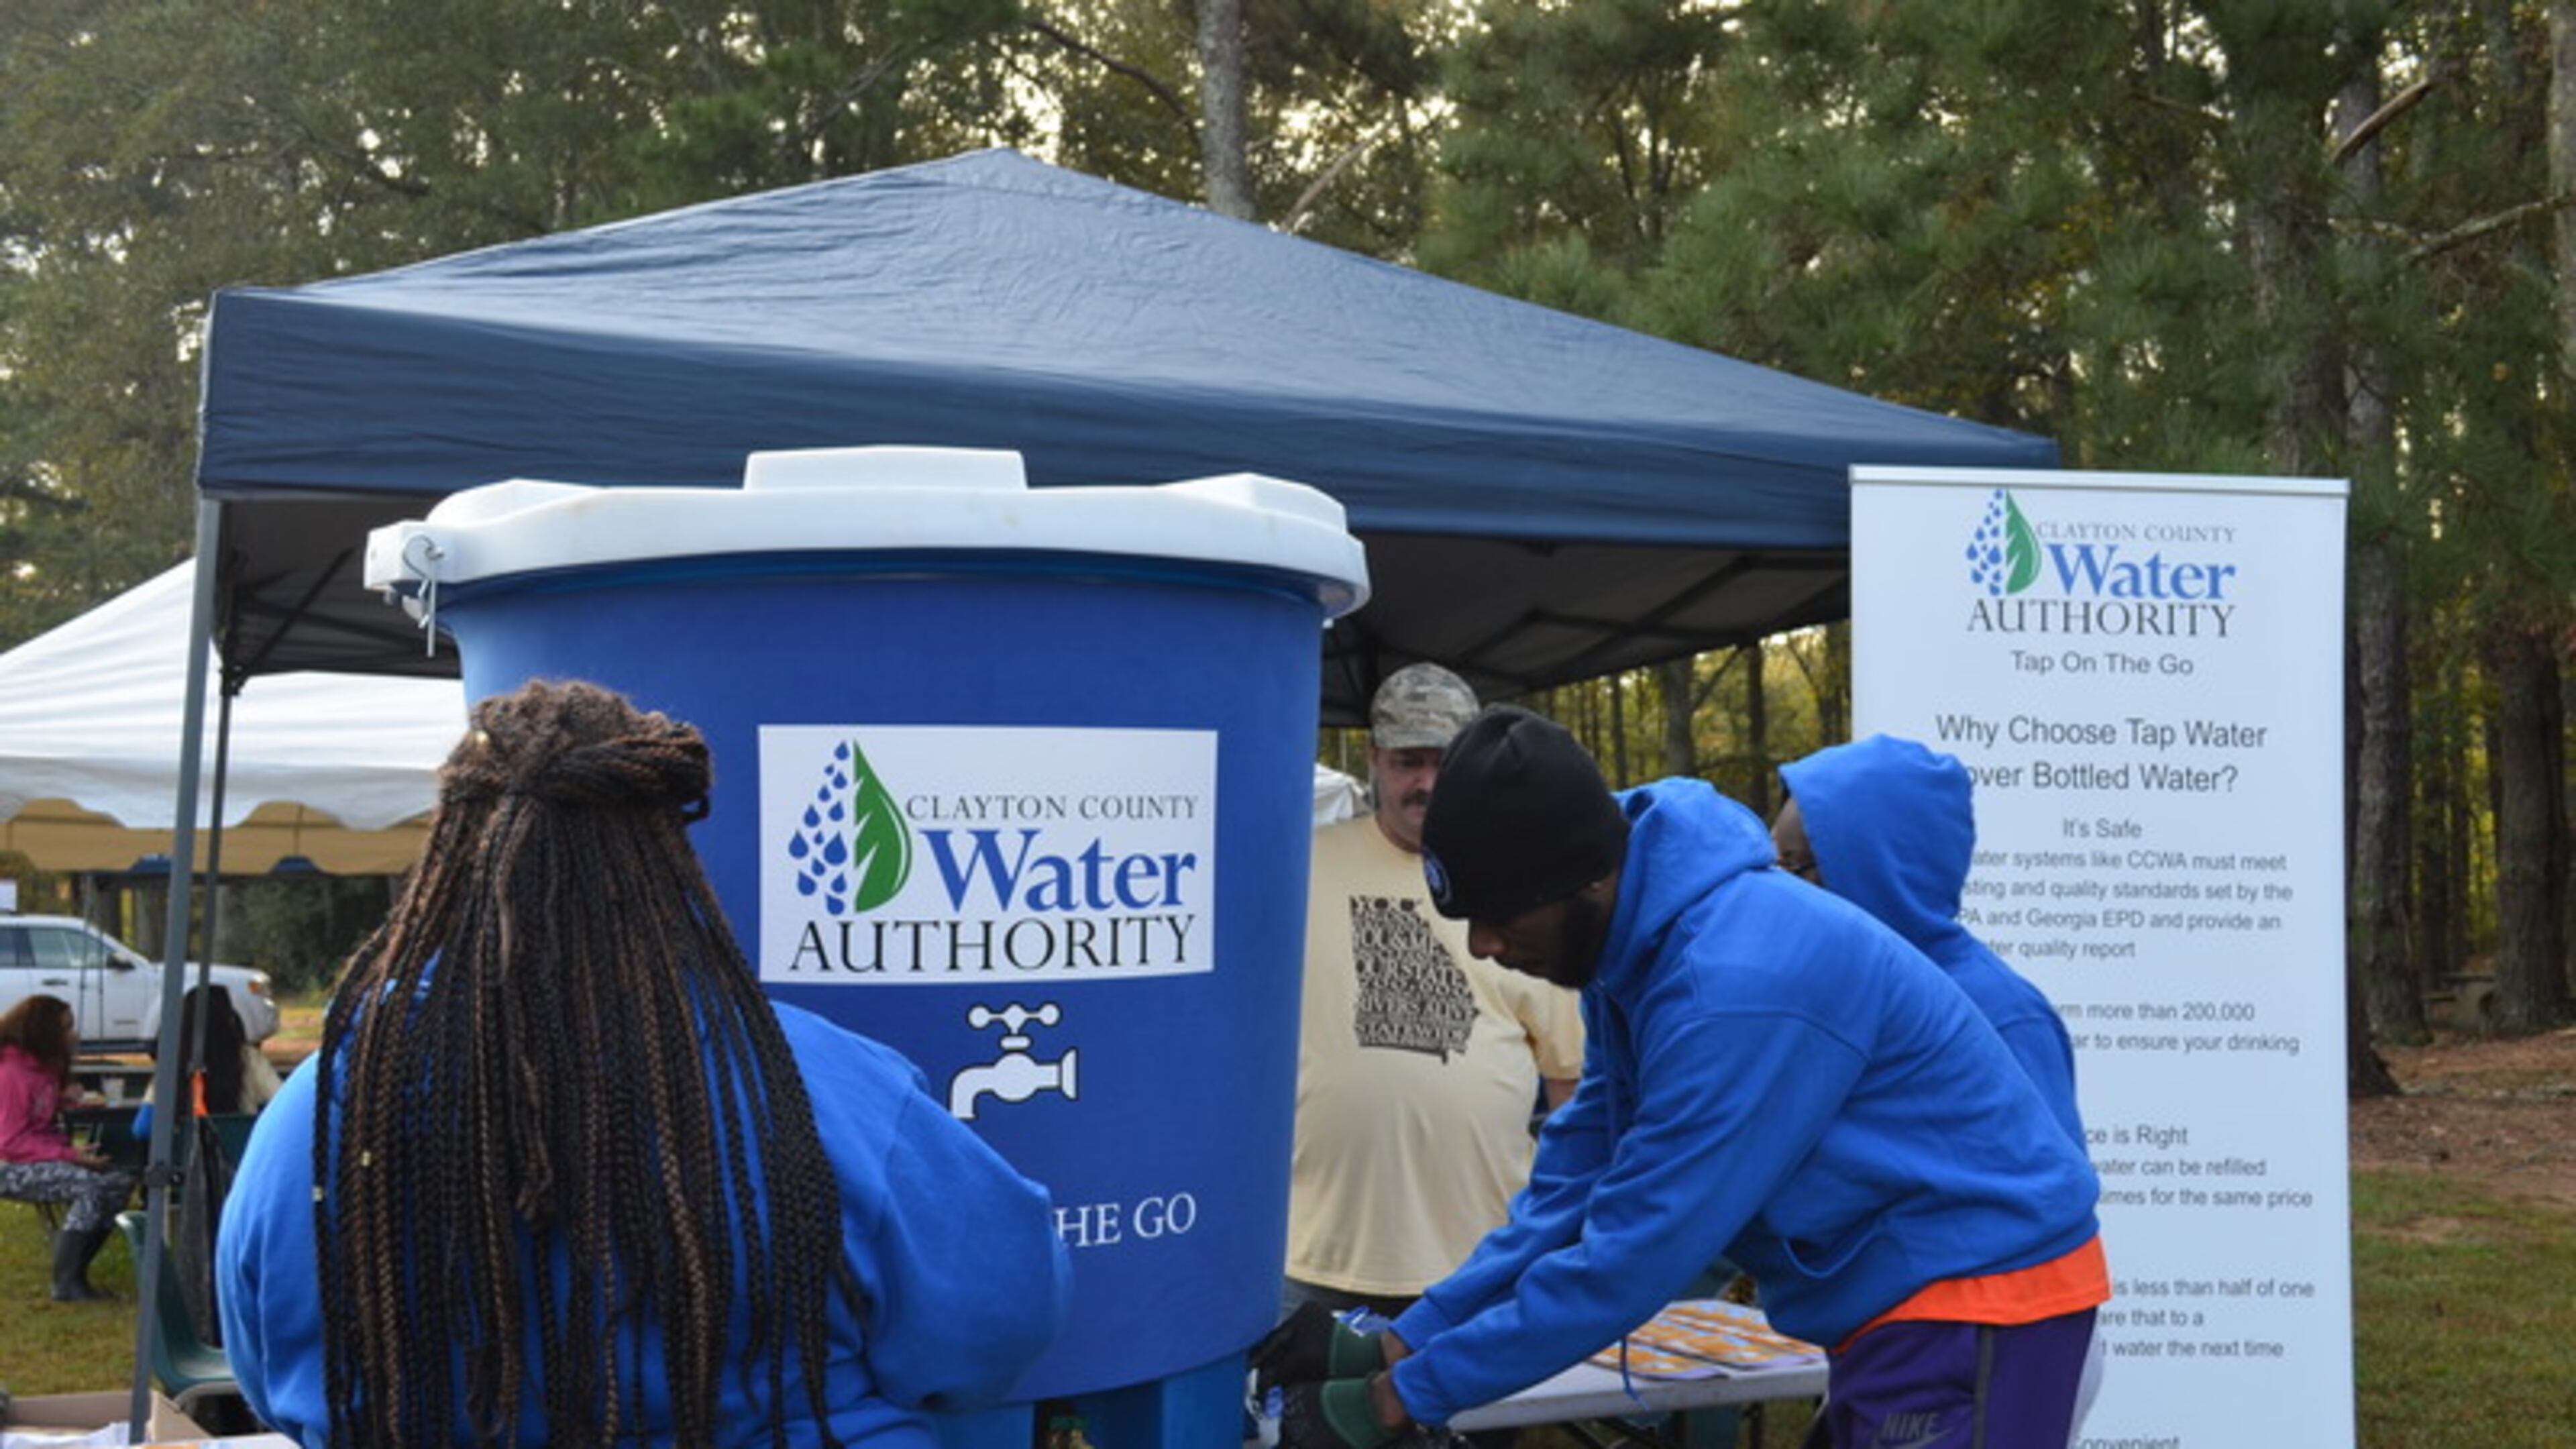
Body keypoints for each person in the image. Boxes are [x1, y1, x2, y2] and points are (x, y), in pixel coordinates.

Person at [217, 680, 1071, 1447]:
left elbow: (273, 1373)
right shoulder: (819, 1087)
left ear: (449, 859)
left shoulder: (322, 1114)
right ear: (668, 863)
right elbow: (999, 1323)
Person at [1257, 706, 2105, 1449]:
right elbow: (1576, 1181)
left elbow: (1636, 1254)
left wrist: (1394, 1403)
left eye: (1499, 917)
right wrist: (1407, 1338)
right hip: (1893, 1302)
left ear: (1582, 882)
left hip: (1982, 1302)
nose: (1483, 946)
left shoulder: (1735, 989)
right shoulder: (1634, 947)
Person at [1285, 663, 1583, 1324]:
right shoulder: (1298, 868)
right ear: (1373, 759)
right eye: (1406, 761)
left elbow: (1572, 1083)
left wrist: (1559, 1231)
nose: (1424, 783)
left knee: (1470, 1429)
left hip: (1484, 1257)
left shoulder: (1530, 882)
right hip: (1311, 1254)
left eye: (1443, 763)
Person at [1774, 734, 2085, 1146]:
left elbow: (2052, 1198)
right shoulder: (1811, 990)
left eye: (1795, 867)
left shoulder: (2003, 1014)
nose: (1779, 891)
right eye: (1771, 864)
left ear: (1881, 869)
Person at [0, 993, 136, 1300]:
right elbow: (10, 1141)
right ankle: (65, 1282)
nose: (73, 1035)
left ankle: (77, 1269)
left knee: (118, 1182)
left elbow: (39, 1109)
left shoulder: (45, 1069)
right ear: (44, 1032)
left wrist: (67, 1100)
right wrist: (72, 1156)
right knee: (88, 1187)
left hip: (41, 1156)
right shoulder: (11, 1073)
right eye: (66, 1028)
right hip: (11, 1166)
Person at [127, 983, 286, 1144]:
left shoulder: (172, 1064)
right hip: (237, 1160)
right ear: (229, 1019)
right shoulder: (248, 1058)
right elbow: (284, 1104)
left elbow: (142, 1129)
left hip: (183, 1165)